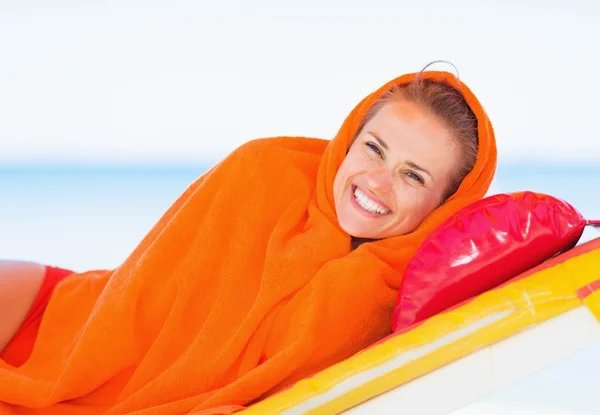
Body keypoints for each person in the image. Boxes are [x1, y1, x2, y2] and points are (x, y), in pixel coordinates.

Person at [0, 64, 496, 414]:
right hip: (65, 320)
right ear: (348, 139)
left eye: (414, 177)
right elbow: (139, 290)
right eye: (373, 148)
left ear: (446, 205)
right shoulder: (266, 168)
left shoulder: (380, 292)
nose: (376, 182)